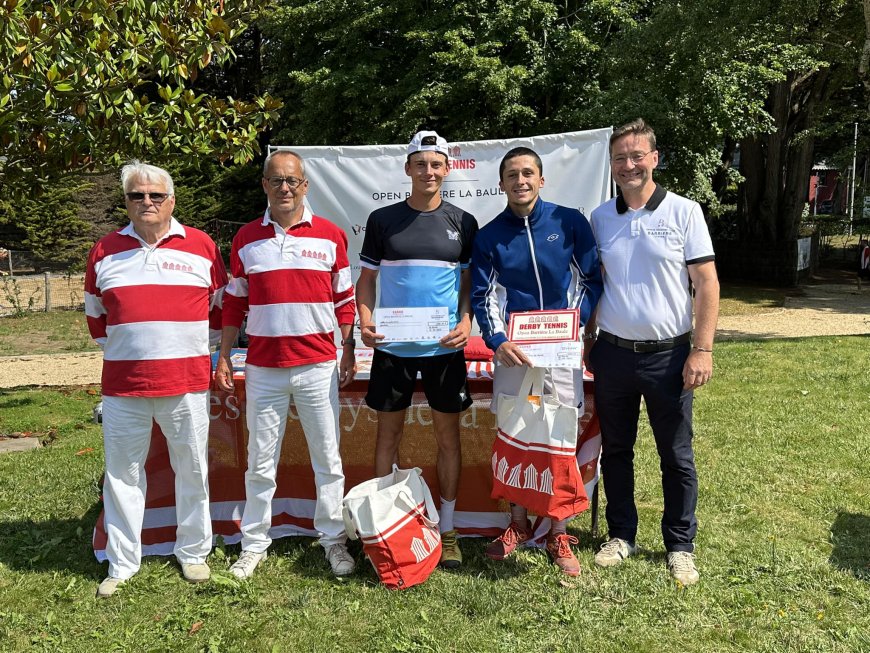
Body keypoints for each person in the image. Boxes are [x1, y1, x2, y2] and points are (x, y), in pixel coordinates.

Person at [585, 118, 720, 586]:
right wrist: (586, 338)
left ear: (654, 159)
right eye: (620, 158)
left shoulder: (685, 212)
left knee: (676, 455)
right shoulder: (600, 218)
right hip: (613, 355)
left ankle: (680, 545)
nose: (628, 165)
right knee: (616, 451)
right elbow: (593, 284)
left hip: (670, 356)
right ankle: (622, 535)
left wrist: (701, 349)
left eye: (636, 155)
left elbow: (706, 283)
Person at [85, 161, 227, 597]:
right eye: (136, 195)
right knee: (123, 475)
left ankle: (194, 553)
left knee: (193, 470)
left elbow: (218, 315)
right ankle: (123, 563)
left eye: (155, 195)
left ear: (172, 201)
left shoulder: (202, 246)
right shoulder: (104, 251)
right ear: (126, 201)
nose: (147, 202)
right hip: (124, 387)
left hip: (185, 382)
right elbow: (97, 322)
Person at [214, 150, 358, 578]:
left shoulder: (331, 235)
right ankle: (255, 542)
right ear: (264, 185)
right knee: (260, 460)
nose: (285, 188)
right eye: (276, 180)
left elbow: (345, 299)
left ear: (305, 185)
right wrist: (223, 354)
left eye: (292, 180)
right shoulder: (245, 239)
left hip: (317, 364)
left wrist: (347, 348)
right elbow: (235, 302)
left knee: (327, 459)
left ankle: (333, 539)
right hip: (263, 366)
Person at [470, 147, 603, 576]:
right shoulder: (490, 236)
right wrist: (496, 338)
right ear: (502, 183)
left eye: (528, 173)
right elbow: (483, 294)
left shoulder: (569, 223)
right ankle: (518, 523)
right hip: (515, 352)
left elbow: (589, 279)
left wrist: (573, 324)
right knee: (514, 435)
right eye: (512, 175)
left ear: (541, 180)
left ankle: (558, 530)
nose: (521, 181)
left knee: (559, 439)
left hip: (561, 351)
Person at [356, 130, 479, 569]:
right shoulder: (382, 219)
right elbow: (367, 280)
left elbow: (467, 287)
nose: (429, 171)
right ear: (408, 168)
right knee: (388, 436)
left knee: (448, 439)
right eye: (421, 163)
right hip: (393, 350)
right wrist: (365, 319)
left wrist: (466, 322)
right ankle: (383, 527)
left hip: (444, 350)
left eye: (436, 164)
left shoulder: (463, 222)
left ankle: (447, 529)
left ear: (447, 169)